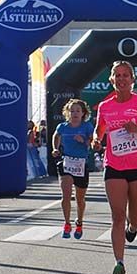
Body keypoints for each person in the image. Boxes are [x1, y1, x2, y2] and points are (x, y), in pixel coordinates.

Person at [92, 61, 137, 274]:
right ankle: (119, 263)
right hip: (114, 165)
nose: (121, 79)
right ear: (112, 80)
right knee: (117, 216)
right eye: (117, 75)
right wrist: (96, 140)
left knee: (136, 218)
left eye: (126, 75)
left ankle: (133, 228)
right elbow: (99, 130)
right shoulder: (105, 107)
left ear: (132, 80)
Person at [53, 99, 95, 240]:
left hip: (81, 164)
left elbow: (92, 142)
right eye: (72, 111)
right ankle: (66, 223)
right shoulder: (63, 127)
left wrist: (83, 141)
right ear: (67, 113)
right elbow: (56, 136)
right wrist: (55, 148)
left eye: (78, 111)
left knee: (80, 198)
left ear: (83, 113)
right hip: (67, 162)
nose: (75, 113)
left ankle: (79, 222)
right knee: (65, 194)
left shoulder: (87, 126)